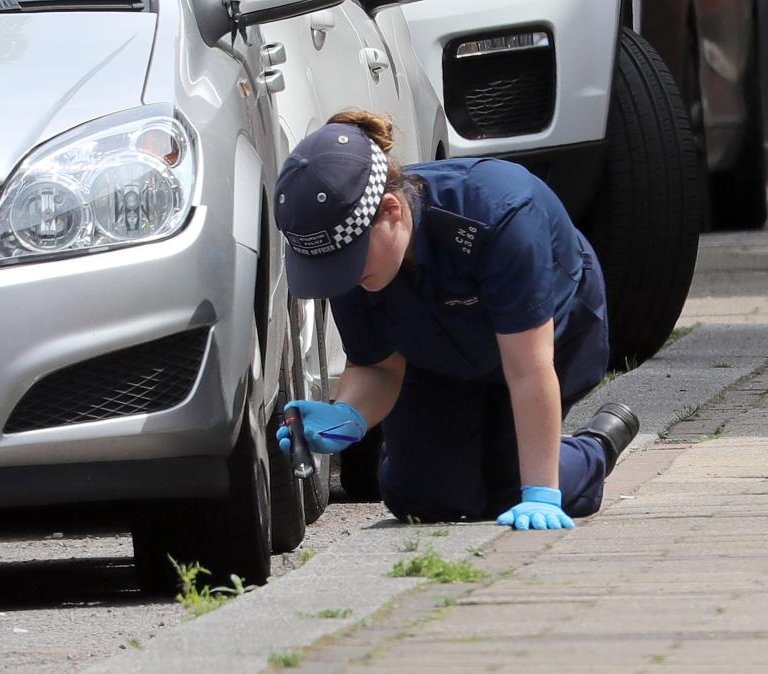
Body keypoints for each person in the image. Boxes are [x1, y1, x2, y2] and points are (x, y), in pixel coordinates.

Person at [274, 111, 640, 531]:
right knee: (418, 495)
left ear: (392, 211)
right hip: (442, 352)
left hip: (545, 346)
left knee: (511, 485)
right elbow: (377, 365)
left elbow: (528, 369)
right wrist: (348, 414)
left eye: (350, 262)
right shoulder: (351, 256)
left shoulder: (498, 214)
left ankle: (595, 447)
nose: (346, 278)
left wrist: (541, 490)